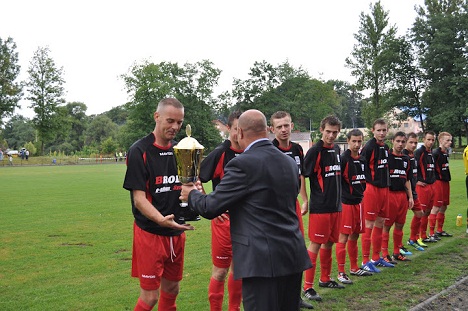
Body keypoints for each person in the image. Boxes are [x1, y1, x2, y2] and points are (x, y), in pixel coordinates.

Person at [180, 109, 312, 311]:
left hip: (261, 262)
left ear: (240, 132)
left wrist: (191, 194)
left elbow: (210, 207)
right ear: (267, 130)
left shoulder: (242, 164)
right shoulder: (288, 161)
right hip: (292, 255)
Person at [123, 97, 194, 311]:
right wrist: (161, 220)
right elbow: (139, 198)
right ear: (157, 117)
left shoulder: (181, 150)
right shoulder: (139, 151)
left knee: (172, 290)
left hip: (176, 233)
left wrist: (195, 193)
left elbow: (185, 188)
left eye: (179, 123)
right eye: (170, 121)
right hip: (151, 233)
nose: (175, 127)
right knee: (150, 297)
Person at [198, 111, 243, 311]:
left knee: (240, 270)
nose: (239, 134)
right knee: (220, 271)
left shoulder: (251, 152)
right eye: (235, 129)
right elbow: (196, 178)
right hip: (224, 223)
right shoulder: (220, 153)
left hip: (248, 222)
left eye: (242, 130)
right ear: (228, 128)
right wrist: (211, 204)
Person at [269, 111, 313, 310]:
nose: (283, 130)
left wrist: (304, 199)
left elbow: (301, 176)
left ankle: (296, 298)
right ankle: (278, 298)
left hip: (293, 204)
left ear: (292, 126)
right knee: (278, 253)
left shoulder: (297, 149)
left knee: (298, 250)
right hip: (276, 208)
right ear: (272, 129)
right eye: (279, 127)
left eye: (286, 125)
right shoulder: (269, 150)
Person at [302, 115, 344, 303]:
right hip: (320, 207)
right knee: (316, 244)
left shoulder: (336, 149)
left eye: (335, 132)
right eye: (328, 131)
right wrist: (305, 199)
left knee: (330, 243)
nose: (331, 135)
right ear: (321, 130)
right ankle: (308, 287)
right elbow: (303, 175)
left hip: (336, 206)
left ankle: (325, 278)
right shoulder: (314, 151)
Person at [335, 129, 372, 284]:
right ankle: (341, 272)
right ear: (348, 141)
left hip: (359, 202)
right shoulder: (343, 159)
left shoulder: (362, 160)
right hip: (346, 204)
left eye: (359, 141)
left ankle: (354, 267)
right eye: (354, 141)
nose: (357, 144)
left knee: (356, 235)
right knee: (343, 236)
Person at [360, 119, 394, 274]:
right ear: (373, 130)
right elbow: (361, 167)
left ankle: (376, 257)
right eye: (379, 130)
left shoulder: (386, 147)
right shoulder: (369, 147)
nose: (381, 133)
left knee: (381, 221)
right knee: (369, 224)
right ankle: (365, 261)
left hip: (384, 189)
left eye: (384, 130)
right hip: (372, 189)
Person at [381, 132, 413, 263]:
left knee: (400, 225)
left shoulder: (406, 159)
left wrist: (410, 197)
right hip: (390, 195)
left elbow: (407, 179)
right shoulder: (387, 157)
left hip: (402, 196)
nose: (400, 144)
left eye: (403, 142)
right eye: (398, 141)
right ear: (392, 141)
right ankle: (384, 254)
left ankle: (396, 252)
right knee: (386, 225)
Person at [414, 131, 438, 246]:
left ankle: (424, 235)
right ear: (423, 139)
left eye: (432, 140)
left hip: (431, 186)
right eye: (428, 139)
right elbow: (413, 168)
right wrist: (417, 180)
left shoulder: (431, 153)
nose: (431, 142)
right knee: (421, 212)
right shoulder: (419, 152)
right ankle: (417, 236)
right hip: (422, 187)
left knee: (428, 211)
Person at [404, 132, 426, 252]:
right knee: (398, 221)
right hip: (404, 192)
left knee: (419, 213)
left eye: (415, 143)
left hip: (413, 191)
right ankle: (398, 247)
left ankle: (412, 239)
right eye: (411, 142)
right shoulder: (403, 154)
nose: (413, 145)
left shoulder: (413, 155)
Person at [430, 132, 453, 237]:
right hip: (438, 182)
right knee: (436, 206)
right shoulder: (435, 153)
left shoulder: (446, 152)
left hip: (445, 181)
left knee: (444, 206)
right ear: (440, 141)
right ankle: (431, 233)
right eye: (447, 140)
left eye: (450, 140)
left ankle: (439, 230)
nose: (450, 142)